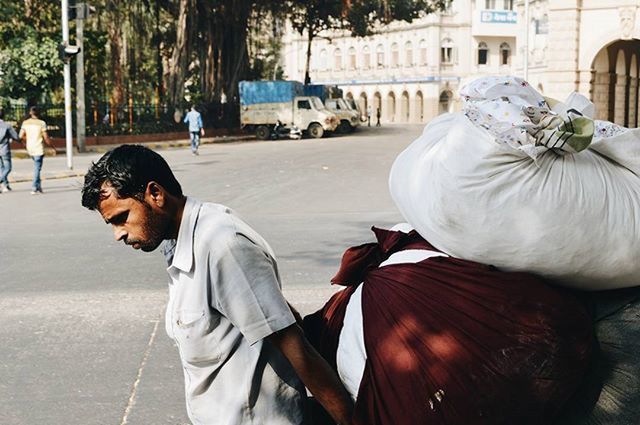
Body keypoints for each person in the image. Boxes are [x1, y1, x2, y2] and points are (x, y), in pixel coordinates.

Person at [80, 145, 354, 425]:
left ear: (155, 194)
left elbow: (294, 345)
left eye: (121, 218)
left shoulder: (222, 245)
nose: (118, 234)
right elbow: (270, 309)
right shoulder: (177, 241)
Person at [19, 106, 56, 195]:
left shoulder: (25, 123)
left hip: (30, 148)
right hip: (38, 148)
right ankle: (34, 187)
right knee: (37, 168)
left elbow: (20, 136)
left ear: (30, 113)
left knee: (37, 167)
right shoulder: (41, 123)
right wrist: (52, 147)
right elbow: (46, 137)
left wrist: (26, 142)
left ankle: (39, 186)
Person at [0, 109, 20, 193]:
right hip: (4, 149)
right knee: (8, 168)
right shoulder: (7, 126)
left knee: (1, 168)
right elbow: (16, 136)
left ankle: (6, 185)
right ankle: (1, 181)